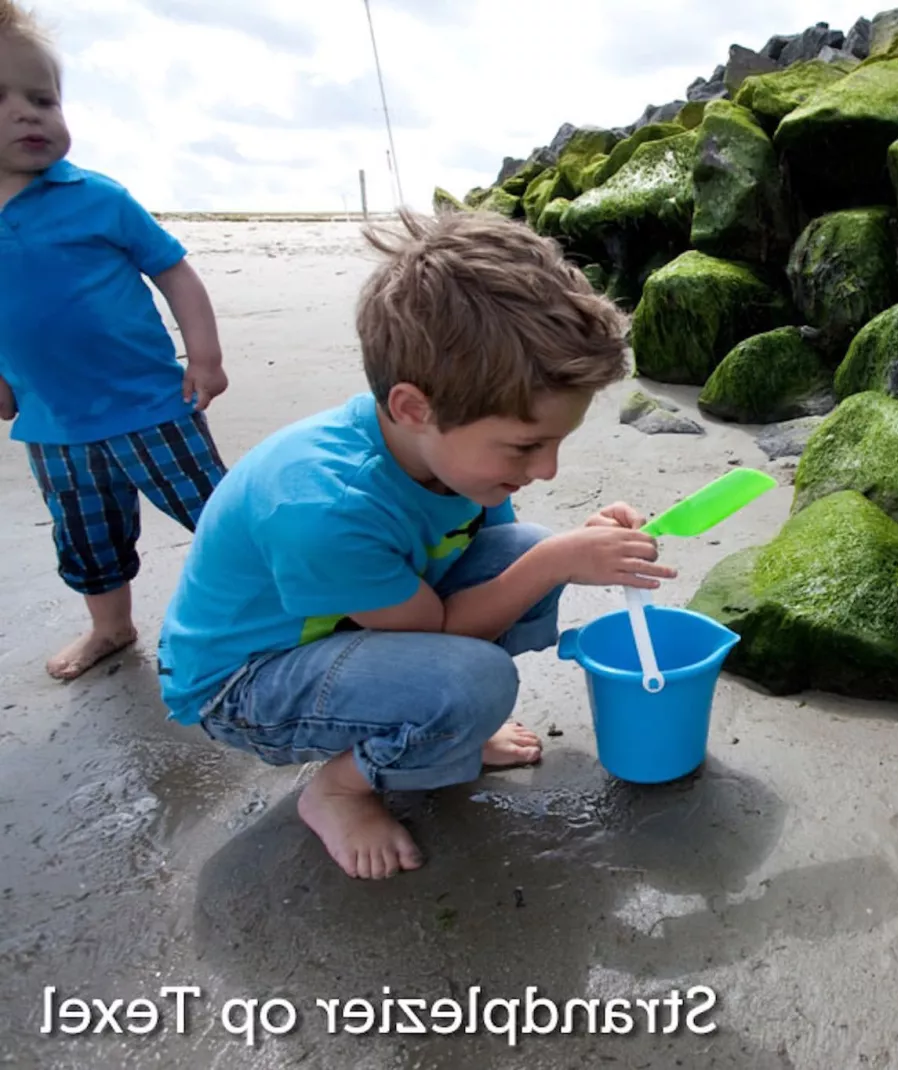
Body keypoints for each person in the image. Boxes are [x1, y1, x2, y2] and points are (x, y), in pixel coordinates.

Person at [156, 207, 676, 880]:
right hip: (244, 683)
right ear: (413, 407)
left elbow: (488, 561)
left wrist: (575, 545)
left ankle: (429, 721)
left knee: (524, 548)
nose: (546, 469)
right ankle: (341, 788)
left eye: (555, 443)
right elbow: (441, 626)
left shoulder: (447, 451)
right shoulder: (323, 504)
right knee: (478, 674)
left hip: (346, 632)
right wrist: (561, 562)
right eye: (526, 446)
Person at [0, 1, 230, 681]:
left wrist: (205, 356)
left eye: (43, 98)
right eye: (1, 98)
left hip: (152, 405)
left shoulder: (98, 198)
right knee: (87, 537)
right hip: (53, 427)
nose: (27, 113)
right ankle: (112, 626)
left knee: (217, 514)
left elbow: (173, 271)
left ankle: (276, 604)